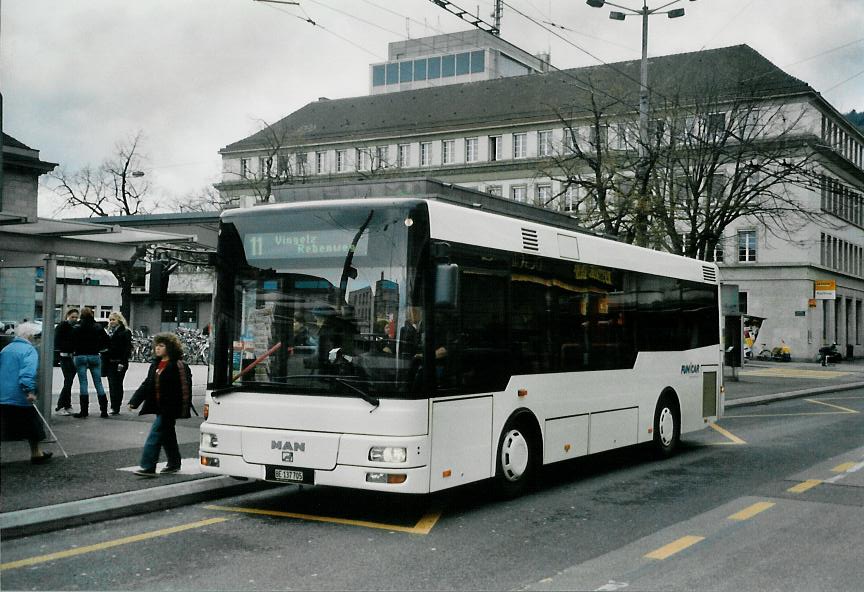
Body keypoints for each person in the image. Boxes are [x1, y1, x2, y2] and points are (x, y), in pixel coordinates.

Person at [128, 333, 193, 477]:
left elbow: (184, 388)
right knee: (167, 435)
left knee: (155, 434)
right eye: (156, 345)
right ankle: (174, 463)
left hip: (170, 408)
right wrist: (134, 401)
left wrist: (180, 408)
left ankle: (148, 466)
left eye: (161, 346)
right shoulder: (156, 364)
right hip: (159, 406)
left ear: (170, 347)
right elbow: (147, 383)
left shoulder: (178, 365)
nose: (157, 348)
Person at [0, 322, 53, 463]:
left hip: (3, 394)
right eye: (37, 337)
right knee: (32, 425)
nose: (38, 340)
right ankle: (36, 452)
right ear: (30, 336)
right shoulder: (29, 350)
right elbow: (27, 373)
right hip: (20, 395)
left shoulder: (6, 349)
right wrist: (29, 391)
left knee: (2, 425)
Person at [71, 307, 110, 418]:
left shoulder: (77, 328)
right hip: (94, 355)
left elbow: (71, 341)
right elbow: (106, 340)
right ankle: (104, 411)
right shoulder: (98, 327)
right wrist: (100, 348)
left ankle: (84, 411)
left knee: (83, 383)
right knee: (98, 383)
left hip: (80, 356)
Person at [104, 311, 132, 415]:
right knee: (112, 384)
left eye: (113, 319)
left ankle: (116, 406)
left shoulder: (125, 331)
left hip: (120, 362)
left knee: (117, 384)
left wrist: (122, 362)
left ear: (119, 320)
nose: (111, 322)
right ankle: (113, 406)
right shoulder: (108, 331)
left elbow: (127, 349)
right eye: (110, 320)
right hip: (110, 362)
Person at [54, 308, 79, 416]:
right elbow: (57, 342)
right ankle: (60, 406)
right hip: (65, 357)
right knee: (68, 381)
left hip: (71, 357)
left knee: (69, 381)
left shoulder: (74, 327)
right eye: (72, 317)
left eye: (76, 317)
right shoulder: (63, 326)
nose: (74, 319)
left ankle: (67, 405)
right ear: (67, 316)